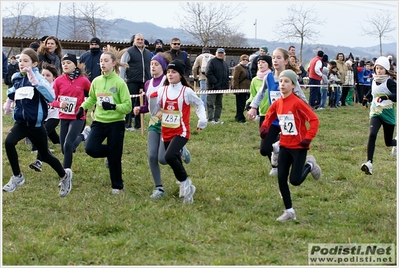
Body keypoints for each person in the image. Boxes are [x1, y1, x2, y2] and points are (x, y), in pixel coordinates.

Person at [2, 48, 72, 197]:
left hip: (36, 125)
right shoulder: (17, 77)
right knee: (9, 142)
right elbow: (13, 91)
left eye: (25, 61)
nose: (21, 63)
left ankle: (65, 176)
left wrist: (36, 82)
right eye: (20, 60)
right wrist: (8, 102)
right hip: (21, 123)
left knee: (45, 156)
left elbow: (51, 96)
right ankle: (17, 177)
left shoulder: (39, 79)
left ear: (34, 63)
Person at [260, 69, 321, 222]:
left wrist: (308, 138)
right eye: (281, 81)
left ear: (293, 85)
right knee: (281, 178)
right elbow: (270, 114)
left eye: (286, 82)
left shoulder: (297, 103)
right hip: (285, 145)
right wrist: (265, 127)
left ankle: (310, 166)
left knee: (295, 180)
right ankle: (289, 211)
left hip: (299, 146)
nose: (282, 84)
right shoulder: (278, 103)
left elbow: (314, 120)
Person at [149, 60, 207, 204]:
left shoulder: (186, 91)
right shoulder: (162, 90)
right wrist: (152, 100)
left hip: (181, 132)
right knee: (174, 160)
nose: (170, 74)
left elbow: (199, 103)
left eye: (174, 72)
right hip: (166, 131)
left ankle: (186, 184)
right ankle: (185, 187)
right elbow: (154, 112)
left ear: (180, 75)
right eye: (168, 72)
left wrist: (202, 119)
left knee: (168, 156)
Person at [77, 50, 132, 194]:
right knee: (90, 149)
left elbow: (128, 106)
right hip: (99, 121)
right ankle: (112, 153)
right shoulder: (96, 81)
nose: (103, 63)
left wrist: (114, 107)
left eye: (106, 61)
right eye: (101, 61)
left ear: (113, 63)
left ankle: (117, 186)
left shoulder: (120, 82)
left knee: (115, 157)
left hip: (116, 123)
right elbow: (92, 98)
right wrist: (82, 108)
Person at [247, 48, 308, 176]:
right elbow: (260, 93)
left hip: (288, 119)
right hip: (272, 118)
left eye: (278, 58)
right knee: (264, 149)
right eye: (273, 57)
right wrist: (253, 107)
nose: (275, 60)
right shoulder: (268, 77)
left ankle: (288, 165)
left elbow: (301, 96)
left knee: (289, 148)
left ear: (286, 61)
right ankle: (276, 163)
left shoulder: (290, 78)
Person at [133, 52, 175, 198]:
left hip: (168, 121)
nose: (153, 67)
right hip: (154, 121)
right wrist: (140, 109)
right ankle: (159, 188)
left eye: (156, 64)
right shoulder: (147, 84)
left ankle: (180, 150)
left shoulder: (167, 81)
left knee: (163, 159)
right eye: (151, 64)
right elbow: (148, 105)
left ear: (163, 67)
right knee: (152, 156)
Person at [52, 53, 91, 171]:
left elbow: (93, 94)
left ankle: (66, 173)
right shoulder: (58, 81)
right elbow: (51, 100)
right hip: (63, 116)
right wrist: (59, 104)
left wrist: (86, 105)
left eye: (68, 63)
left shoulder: (83, 81)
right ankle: (83, 136)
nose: (65, 65)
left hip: (78, 117)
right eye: (63, 63)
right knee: (65, 149)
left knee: (68, 143)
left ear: (75, 65)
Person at [361, 56, 397, 175]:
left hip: (388, 114)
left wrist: (386, 97)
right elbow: (372, 92)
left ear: (386, 69)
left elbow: (396, 96)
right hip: (375, 112)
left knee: (388, 142)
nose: (378, 71)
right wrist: (366, 98)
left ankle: (396, 142)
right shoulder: (373, 80)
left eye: (381, 68)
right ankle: (369, 163)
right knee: (372, 135)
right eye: (377, 68)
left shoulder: (390, 82)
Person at [29, 63, 61, 172]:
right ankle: (76, 140)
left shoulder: (55, 87)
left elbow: (58, 101)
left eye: (48, 75)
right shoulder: (40, 86)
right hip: (44, 118)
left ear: (54, 78)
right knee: (57, 140)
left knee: (42, 134)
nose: (45, 77)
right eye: (43, 75)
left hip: (54, 117)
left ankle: (39, 161)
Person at [119, 33, 152, 131]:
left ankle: (139, 125)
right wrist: (122, 80)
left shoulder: (148, 53)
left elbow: (150, 66)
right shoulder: (129, 52)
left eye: (142, 39)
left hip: (145, 81)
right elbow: (123, 65)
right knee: (130, 102)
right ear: (134, 41)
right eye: (138, 39)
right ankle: (127, 125)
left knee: (141, 104)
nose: (140, 41)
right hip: (132, 81)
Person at [205, 48, 229, 124]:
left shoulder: (225, 64)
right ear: (216, 53)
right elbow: (208, 73)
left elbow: (227, 76)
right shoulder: (211, 62)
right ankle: (210, 119)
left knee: (219, 104)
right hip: (212, 88)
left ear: (224, 54)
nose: (220, 54)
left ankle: (216, 119)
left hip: (221, 88)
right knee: (210, 104)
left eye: (222, 53)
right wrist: (216, 83)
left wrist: (226, 88)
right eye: (219, 53)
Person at [231, 54, 251, 123]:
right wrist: (236, 89)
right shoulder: (238, 67)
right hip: (240, 89)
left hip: (247, 89)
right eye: (243, 59)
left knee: (244, 104)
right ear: (241, 60)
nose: (245, 61)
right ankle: (240, 118)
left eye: (246, 60)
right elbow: (235, 78)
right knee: (240, 104)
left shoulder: (247, 68)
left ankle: (238, 116)